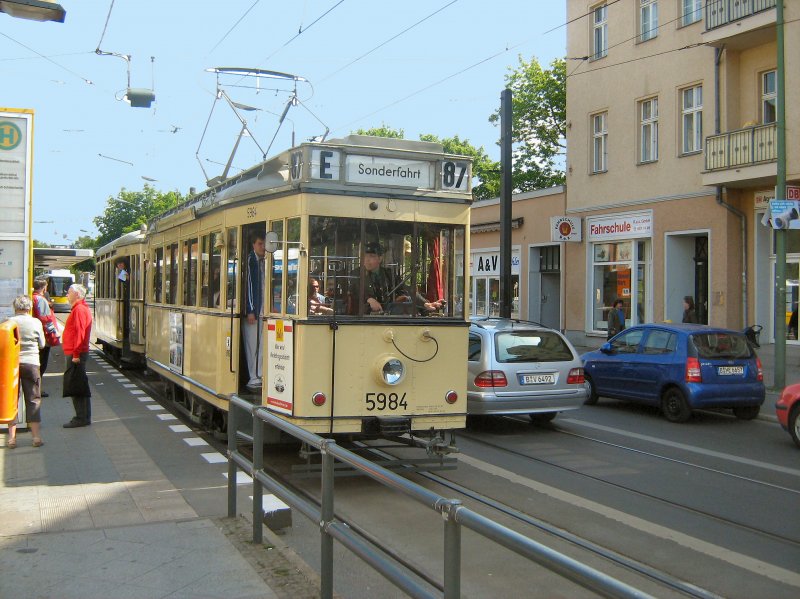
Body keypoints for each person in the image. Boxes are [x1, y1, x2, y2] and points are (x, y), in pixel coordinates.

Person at [349, 242, 445, 315]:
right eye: (365, 256)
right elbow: (354, 290)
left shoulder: (389, 274)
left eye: (372, 256)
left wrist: (425, 304)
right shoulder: (356, 273)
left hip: (389, 317)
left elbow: (406, 289)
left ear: (380, 258)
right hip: (362, 318)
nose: (367, 260)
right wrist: (369, 299)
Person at [5, 295, 46, 449]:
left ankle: (12, 439)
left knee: (12, 400)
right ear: (29, 308)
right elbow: (42, 344)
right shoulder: (36, 322)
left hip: (12, 365)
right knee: (33, 399)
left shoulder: (8, 323)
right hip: (31, 363)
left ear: (15, 308)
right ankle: (35, 437)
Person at [62, 284, 93, 428]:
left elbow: (80, 333)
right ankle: (84, 416)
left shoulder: (79, 310)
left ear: (77, 295)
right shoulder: (80, 308)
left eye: (69, 292)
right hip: (77, 352)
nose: (67, 295)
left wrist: (75, 354)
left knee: (76, 386)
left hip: (76, 354)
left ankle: (81, 417)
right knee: (79, 384)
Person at [243, 231, 265, 389]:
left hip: (261, 309)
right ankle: (254, 375)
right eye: (260, 244)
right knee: (253, 344)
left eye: (264, 244)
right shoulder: (251, 260)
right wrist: (250, 309)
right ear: (253, 245)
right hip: (254, 311)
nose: (263, 247)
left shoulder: (262, 261)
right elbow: (249, 286)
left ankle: (259, 373)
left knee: (261, 342)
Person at [32, 277, 60, 397]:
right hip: (43, 337)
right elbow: (46, 319)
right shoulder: (41, 300)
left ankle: (35, 388)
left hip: (37, 335)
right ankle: (37, 389)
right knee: (41, 364)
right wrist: (54, 333)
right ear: (44, 288)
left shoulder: (32, 298)